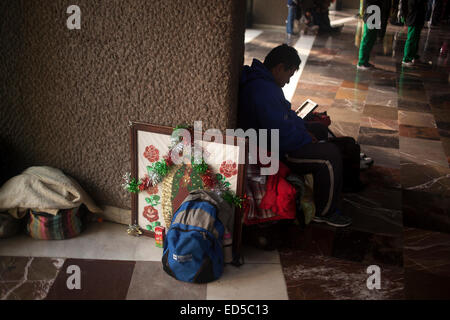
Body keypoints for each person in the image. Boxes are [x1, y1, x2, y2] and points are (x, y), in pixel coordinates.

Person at [238, 44, 353, 228]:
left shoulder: (267, 83)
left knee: (319, 129)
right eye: (289, 75)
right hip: (274, 151)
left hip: (279, 140)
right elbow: (281, 136)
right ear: (279, 68)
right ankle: (326, 213)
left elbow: (286, 116)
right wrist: (307, 138)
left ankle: (328, 184)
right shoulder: (262, 91)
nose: (289, 81)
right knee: (330, 157)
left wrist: (306, 129)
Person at [357, 0, 384, 70]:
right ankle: (361, 62)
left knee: (372, 39)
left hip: (376, 13)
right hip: (371, 13)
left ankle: (365, 61)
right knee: (367, 39)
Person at [402, 0, 427, 66]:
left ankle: (413, 56)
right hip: (414, 18)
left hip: (418, 18)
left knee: (416, 39)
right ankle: (406, 59)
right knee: (411, 39)